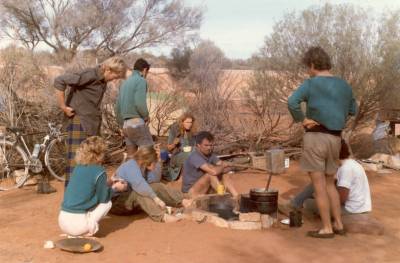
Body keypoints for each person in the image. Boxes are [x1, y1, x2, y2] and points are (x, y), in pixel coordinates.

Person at [287, 46, 357, 238]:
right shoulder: (344, 85)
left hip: (316, 137)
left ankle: (326, 228)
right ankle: (339, 224)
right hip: (336, 138)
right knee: (329, 184)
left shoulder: (311, 83)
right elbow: (353, 110)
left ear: (312, 64)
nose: (307, 71)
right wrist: (337, 116)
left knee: (318, 186)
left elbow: (292, 102)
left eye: (307, 67)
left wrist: (303, 119)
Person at [54, 57, 128, 187]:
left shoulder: (102, 80)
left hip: (91, 125)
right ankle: (73, 202)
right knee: (76, 164)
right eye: (115, 76)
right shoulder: (89, 75)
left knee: (89, 164)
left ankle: (86, 199)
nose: (115, 79)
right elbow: (60, 80)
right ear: (108, 69)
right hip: (79, 123)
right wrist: (63, 106)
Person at [58, 136, 126, 237]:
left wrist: (110, 182)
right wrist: (116, 188)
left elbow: (89, 188)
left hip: (62, 221)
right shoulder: (99, 171)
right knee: (107, 203)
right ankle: (88, 229)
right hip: (77, 227)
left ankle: (78, 230)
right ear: (99, 155)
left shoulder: (78, 168)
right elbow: (104, 198)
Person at [285, 140, 371, 216]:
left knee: (308, 202)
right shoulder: (350, 163)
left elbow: (341, 199)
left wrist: (322, 197)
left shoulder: (346, 169)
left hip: (351, 209)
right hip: (359, 206)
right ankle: (296, 202)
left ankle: (296, 203)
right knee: (318, 183)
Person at [110, 145, 192, 223]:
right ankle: (162, 216)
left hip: (129, 200)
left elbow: (154, 181)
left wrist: (159, 161)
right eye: (154, 162)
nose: (155, 163)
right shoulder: (131, 166)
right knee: (140, 192)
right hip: (117, 204)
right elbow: (140, 186)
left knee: (156, 186)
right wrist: (157, 200)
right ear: (148, 160)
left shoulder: (142, 166)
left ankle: (182, 200)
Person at [182, 131, 239, 198]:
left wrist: (223, 168)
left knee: (224, 175)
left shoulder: (210, 155)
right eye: (206, 145)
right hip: (191, 192)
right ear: (198, 145)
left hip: (204, 188)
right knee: (210, 174)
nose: (209, 148)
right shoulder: (194, 156)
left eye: (211, 145)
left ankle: (236, 197)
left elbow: (224, 168)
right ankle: (223, 198)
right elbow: (214, 171)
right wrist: (221, 167)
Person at [115, 58, 153, 156]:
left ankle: (126, 171)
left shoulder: (124, 83)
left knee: (131, 159)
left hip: (126, 127)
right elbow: (139, 103)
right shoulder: (141, 81)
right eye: (147, 72)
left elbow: (117, 107)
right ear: (144, 70)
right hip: (136, 124)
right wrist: (146, 116)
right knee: (150, 155)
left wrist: (121, 125)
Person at [162, 113, 196, 181]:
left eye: (191, 122)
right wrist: (174, 144)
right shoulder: (175, 130)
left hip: (188, 154)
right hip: (175, 156)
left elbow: (194, 146)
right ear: (182, 122)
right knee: (190, 155)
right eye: (187, 122)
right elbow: (169, 148)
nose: (189, 124)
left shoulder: (192, 133)